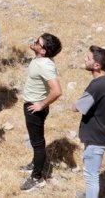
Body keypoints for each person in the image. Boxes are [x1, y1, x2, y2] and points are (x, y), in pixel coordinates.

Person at [20, 33, 63, 192]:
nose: (34, 41)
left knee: (38, 143)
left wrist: (41, 105)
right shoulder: (40, 60)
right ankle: (34, 164)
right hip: (33, 105)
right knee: (35, 141)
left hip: (34, 108)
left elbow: (57, 91)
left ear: (43, 51)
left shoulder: (44, 65)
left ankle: (37, 177)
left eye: (37, 42)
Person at [74, 46, 105, 198]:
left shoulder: (97, 86)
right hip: (104, 133)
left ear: (97, 65)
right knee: (92, 175)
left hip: (96, 138)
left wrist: (73, 104)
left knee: (91, 177)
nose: (85, 60)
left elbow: (78, 107)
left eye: (89, 58)